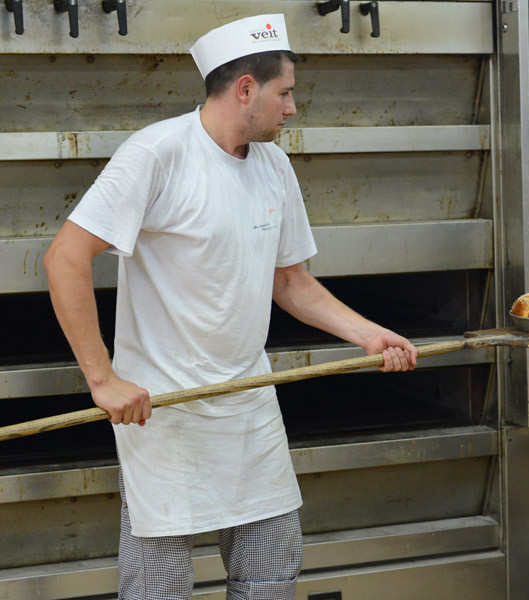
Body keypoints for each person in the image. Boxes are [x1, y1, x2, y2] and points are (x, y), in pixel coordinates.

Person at [41, 14, 417, 600]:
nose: (293, 108)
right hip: (163, 409)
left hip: (247, 405)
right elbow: (65, 257)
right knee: (158, 589)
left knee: (270, 575)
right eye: (285, 93)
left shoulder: (273, 166)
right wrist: (102, 378)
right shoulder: (157, 154)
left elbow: (290, 281)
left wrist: (370, 335)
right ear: (246, 88)